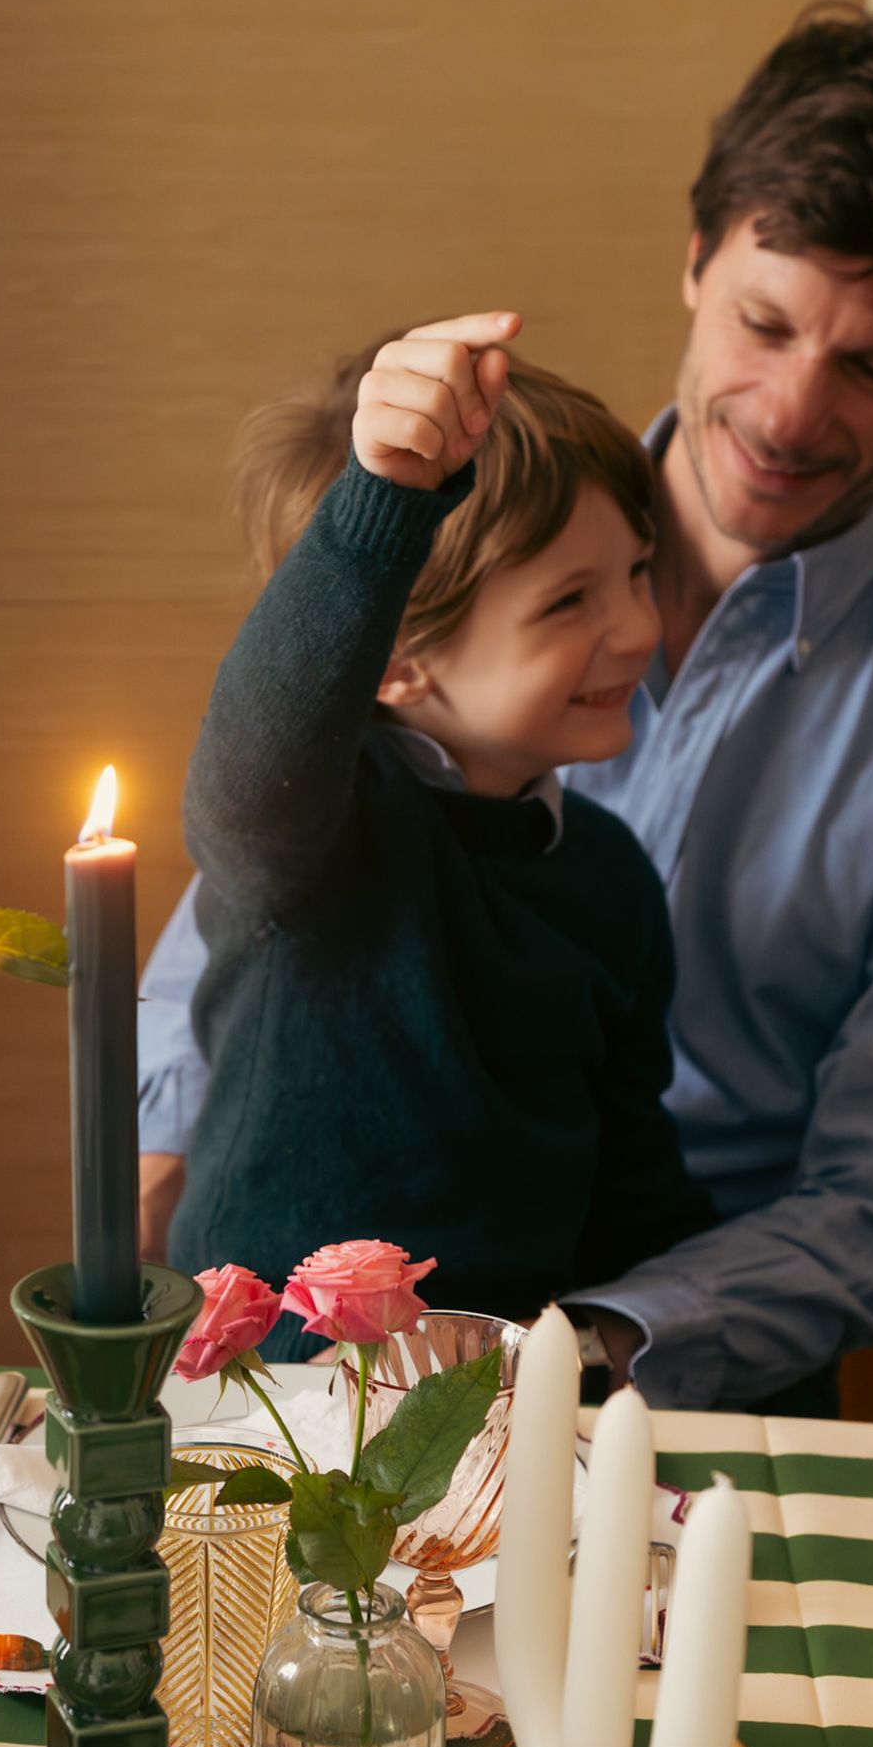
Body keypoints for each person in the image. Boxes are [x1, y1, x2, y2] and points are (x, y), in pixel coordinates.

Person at [138, 6, 873, 1411]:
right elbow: (252, 869)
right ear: (698, 259)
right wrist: (163, 1199)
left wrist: (563, 1353)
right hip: (298, 1321)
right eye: (763, 324)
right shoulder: (472, 517)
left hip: (674, 1347)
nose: (788, 412)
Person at [172, 341, 710, 1349]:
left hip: (511, 1385)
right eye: (567, 601)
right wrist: (385, 501)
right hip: (277, 1385)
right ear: (398, 662)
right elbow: (258, 752)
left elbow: (627, 1164)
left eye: (634, 574)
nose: (635, 627)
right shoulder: (316, 844)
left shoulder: (607, 874)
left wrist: (644, 1341)